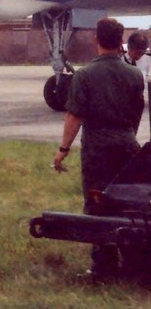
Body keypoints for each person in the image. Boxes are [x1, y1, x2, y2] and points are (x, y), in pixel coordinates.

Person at [54, 17, 145, 279]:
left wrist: (63, 149)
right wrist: (128, 136)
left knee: (97, 204)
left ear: (96, 38)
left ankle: (103, 267)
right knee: (129, 202)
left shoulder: (85, 75)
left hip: (98, 147)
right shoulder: (134, 73)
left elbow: (74, 115)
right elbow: (136, 111)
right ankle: (134, 260)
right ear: (121, 41)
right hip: (128, 144)